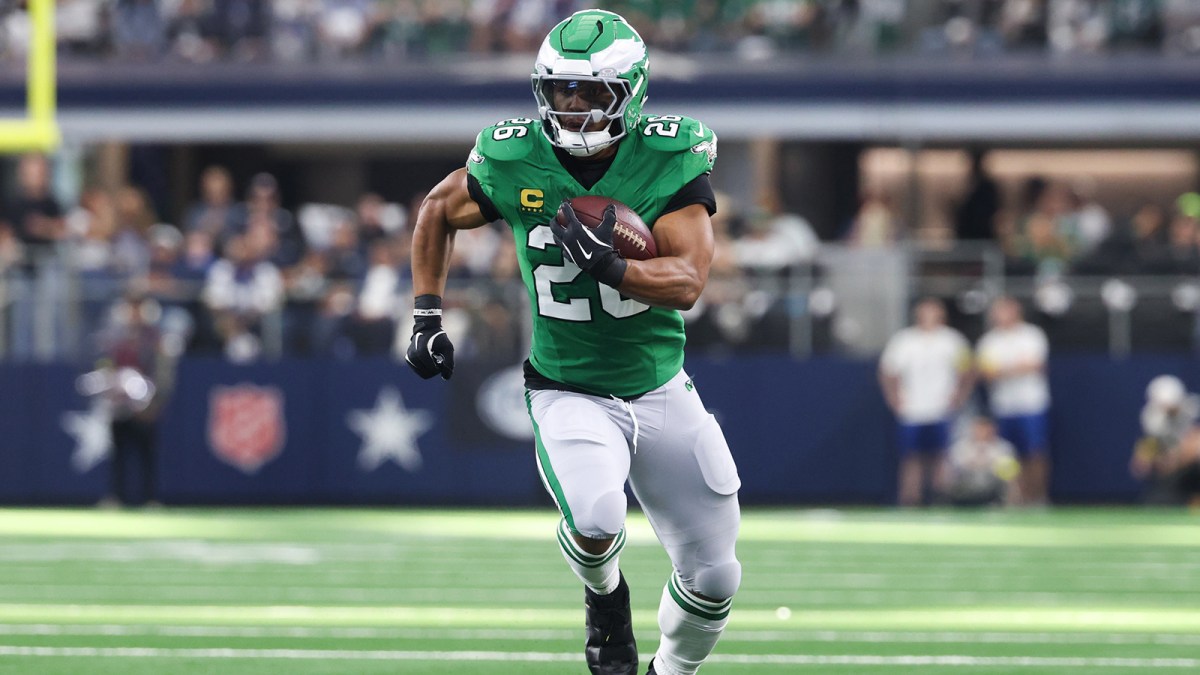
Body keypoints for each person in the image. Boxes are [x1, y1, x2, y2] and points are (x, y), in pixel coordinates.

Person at [405, 10, 740, 675]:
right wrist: (425, 315)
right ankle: (606, 598)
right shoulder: (513, 154)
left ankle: (671, 670)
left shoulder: (669, 155)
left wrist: (614, 266)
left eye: (592, 93)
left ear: (632, 93)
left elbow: (688, 280)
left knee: (716, 576)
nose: (575, 107)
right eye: (561, 90)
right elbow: (438, 210)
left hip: (660, 386)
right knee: (594, 513)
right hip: (567, 386)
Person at [879, 297, 974, 507]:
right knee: (911, 457)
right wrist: (893, 398)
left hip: (941, 409)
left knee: (942, 456)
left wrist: (959, 397)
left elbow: (968, 370)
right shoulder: (904, 340)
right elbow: (887, 372)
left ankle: (942, 500)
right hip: (912, 410)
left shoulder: (952, 340)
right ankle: (910, 500)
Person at [976, 296, 1052, 505]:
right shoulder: (988, 341)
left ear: (1016, 311)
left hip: (1031, 404)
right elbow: (987, 373)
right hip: (1003, 406)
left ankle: (1037, 498)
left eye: (1005, 310)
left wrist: (1004, 370)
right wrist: (1016, 368)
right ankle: (1014, 498)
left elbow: (1035, 365)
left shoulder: (1032, 335)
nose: (1000, 316)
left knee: (1035, 452)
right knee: (1007, 456)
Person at [1131, 375, 1200, 506]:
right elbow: (1151, 445)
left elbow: (1194, 442)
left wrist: (1179, 457)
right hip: (1175, 468)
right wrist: (1144, 457)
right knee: (1157, 501)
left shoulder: (1193, 409)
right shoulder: (1152, 417)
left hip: (1193, 465)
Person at [938, 416, 1020, 506]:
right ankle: (946, 502)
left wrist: (988, 463)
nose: (983, 432)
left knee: (1010, 475)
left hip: (991, 487)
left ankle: (1010, 505)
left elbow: (1009, 471)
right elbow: (956, 467)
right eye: (980, 428)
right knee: (946, 472)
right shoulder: (961, 446)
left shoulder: (1003, 447)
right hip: (966, 488)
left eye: (986, 428)